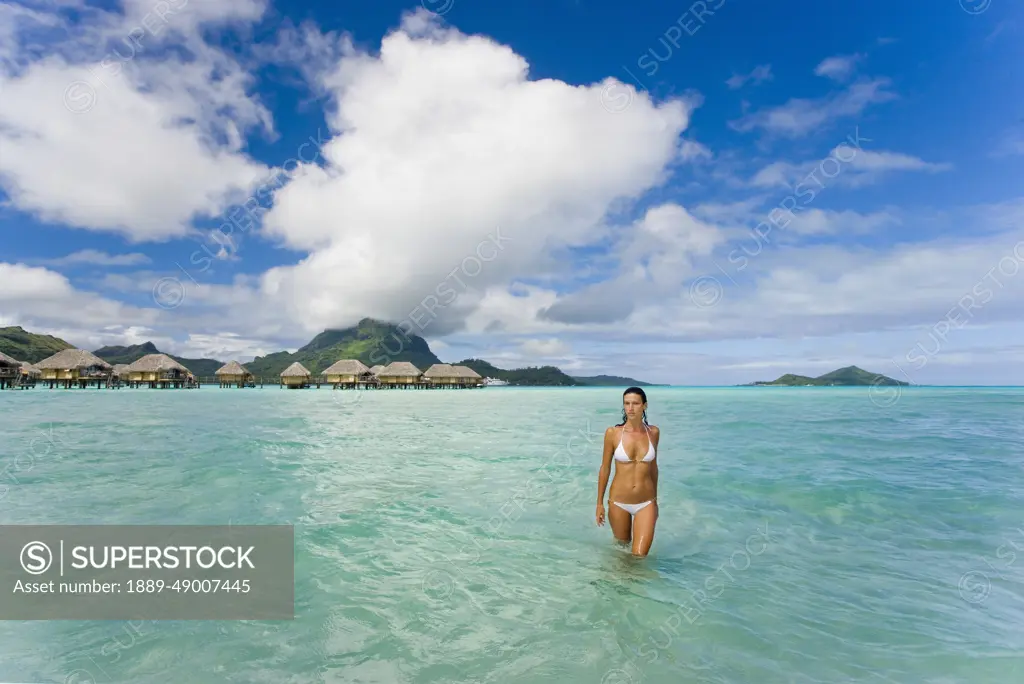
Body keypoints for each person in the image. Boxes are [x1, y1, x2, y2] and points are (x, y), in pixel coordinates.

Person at [596, 387, 660, 557]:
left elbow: (653, 468)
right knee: (621, 552)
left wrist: (656, 500)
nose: (630, 408)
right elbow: (605, 468)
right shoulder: (613, 433)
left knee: (639, 557)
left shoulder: (653, 432)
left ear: (644, 406)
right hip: (618, 502)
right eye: (627, 403)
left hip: (646, 502)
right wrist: (599, 503)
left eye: (635, 403)